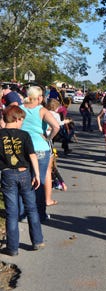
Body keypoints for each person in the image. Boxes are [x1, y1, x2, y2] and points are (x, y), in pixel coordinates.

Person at [0, 105, 44, 256]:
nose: (22, 124)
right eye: (22, 120)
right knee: (31, 208)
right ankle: (37, 241)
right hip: (24, 173)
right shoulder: (24, 135)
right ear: (17, 119)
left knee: (11, 212)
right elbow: (32, 156)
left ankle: (12, 248)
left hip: (7, 174)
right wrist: (37, 175)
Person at [20, 86, 60, 222]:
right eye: (42, 96)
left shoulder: (20, 108)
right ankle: (40, 213)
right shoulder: (42, 110)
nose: (43, 98)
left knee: (24, 181)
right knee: (40, 182)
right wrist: (48, 138)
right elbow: (56, 126)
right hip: (41, 149)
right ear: (38, 97)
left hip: (23, 148)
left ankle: (23, 213)